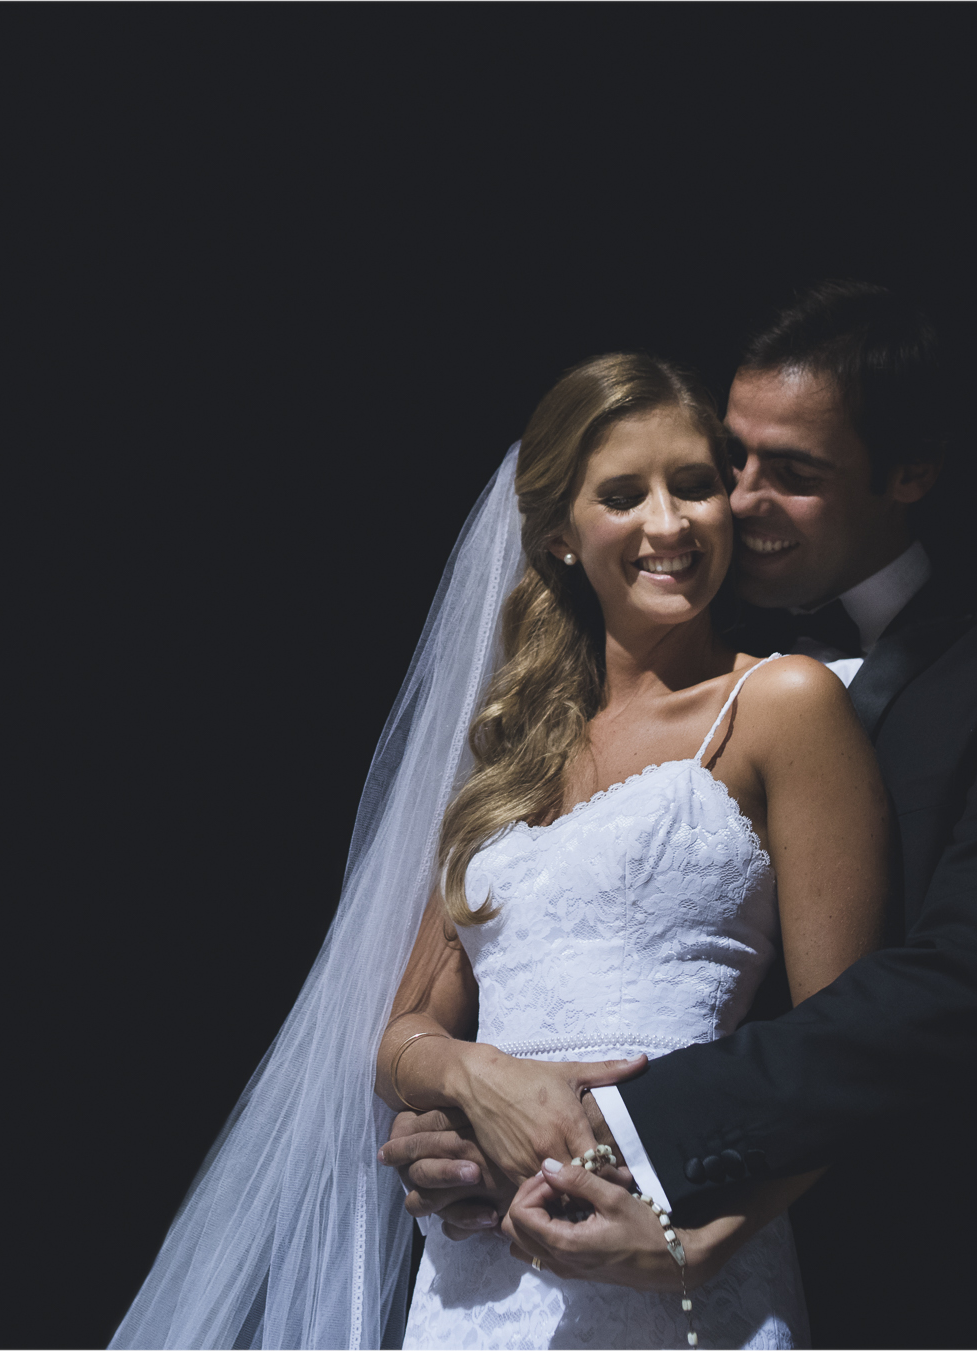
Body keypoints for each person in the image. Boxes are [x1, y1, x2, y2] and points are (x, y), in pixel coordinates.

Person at [385, 282, 977, 1347]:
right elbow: (421, 1011)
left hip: (812, 1236)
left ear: (907, 474)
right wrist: (461, 1087)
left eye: (785, 474)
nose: (721, 504)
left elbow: (921, 998)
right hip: (480, 1254)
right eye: (727, 462)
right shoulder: (536, 724)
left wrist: (666, 1200)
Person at [374, 352, 892, 1349]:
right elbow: (399, 1033)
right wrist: (475, 1083)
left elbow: (848, 1050)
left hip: (666, 1249)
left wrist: (695, 1241)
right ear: (561, 537)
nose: (669, 524)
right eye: (623, 494)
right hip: (475, 1279)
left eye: (692, 485)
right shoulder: (507, 750)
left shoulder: (778, 703)